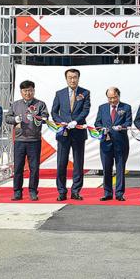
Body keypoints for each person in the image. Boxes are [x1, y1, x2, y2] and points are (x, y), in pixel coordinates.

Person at [51, 68, 91, 201]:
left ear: (78, 78)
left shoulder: (85, 93)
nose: (72, 80)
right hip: (63, 133)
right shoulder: (60, 93)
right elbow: (54, 112)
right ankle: (61, 191)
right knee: (61, 163)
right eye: (70, 77)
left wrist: (76, 121)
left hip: (78, 132)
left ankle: (76, 191)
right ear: (66, 79)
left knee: (78, 163)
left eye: (75, 77)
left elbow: (85, 110)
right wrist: (60, 122)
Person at [5, 80, 49, 201]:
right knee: (18, 167)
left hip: (34, 140)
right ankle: (17, 192)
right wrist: (15, 119)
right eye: (25, 91)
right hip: (19, 140)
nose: (28, 93)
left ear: (33, 91)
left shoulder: (40, 104)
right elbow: (7, 118)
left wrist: (36, 118)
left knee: (34, 168)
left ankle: (33, 191)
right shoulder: (15, 105)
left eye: (30, 90)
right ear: (21, 92)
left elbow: (46, 118)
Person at [95, 87, 132, 201]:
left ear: (118, 96)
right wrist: (101, 128)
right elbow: (97, 123)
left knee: (120, 168)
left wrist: (122, 127)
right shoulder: (102, 108)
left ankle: (119, 193)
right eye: (109, 98)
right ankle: (107, 193)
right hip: (106, 143)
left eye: (114, 97)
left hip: (121, 142)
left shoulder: (126, 107)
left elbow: (128, 122)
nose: (112, 100)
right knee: (106, 168)